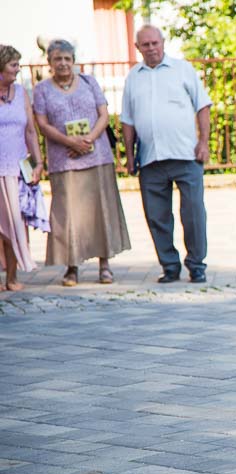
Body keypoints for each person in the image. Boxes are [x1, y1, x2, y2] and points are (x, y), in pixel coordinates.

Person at [33, 39, 130, 286]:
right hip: (64, 159)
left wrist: (88, 140)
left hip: (96, 156)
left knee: (101, 210)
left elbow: (103, 115)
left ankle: (105, 265)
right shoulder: (42, 89)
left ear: (74, 61)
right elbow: (42, 124)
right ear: (49, 62)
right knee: (68, 215)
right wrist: (69, 142)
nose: (63, 63)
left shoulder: (89, 82)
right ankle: (72, 267)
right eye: (58, 59)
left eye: (67, 58)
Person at [121, 25, 211, 283]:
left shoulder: (183, 69)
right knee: (157, 216)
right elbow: (127, 120)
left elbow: (203, 106)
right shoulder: (133, 77)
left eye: (155, 43)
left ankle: (197, 265)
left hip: (186, 154)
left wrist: (204, 142)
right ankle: (169, 266)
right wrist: (130, 156)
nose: (151, 48)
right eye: (145, 45)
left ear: (163, 42)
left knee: (193, 214)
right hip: (150, 158)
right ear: (137, 48)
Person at [0, 44, 43, 291]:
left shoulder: (21, 93)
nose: (18, 69)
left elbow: (30, 131)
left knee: (15, 223)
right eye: (13, 65)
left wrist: (38, 162)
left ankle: (12, 277)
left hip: (16, 169)